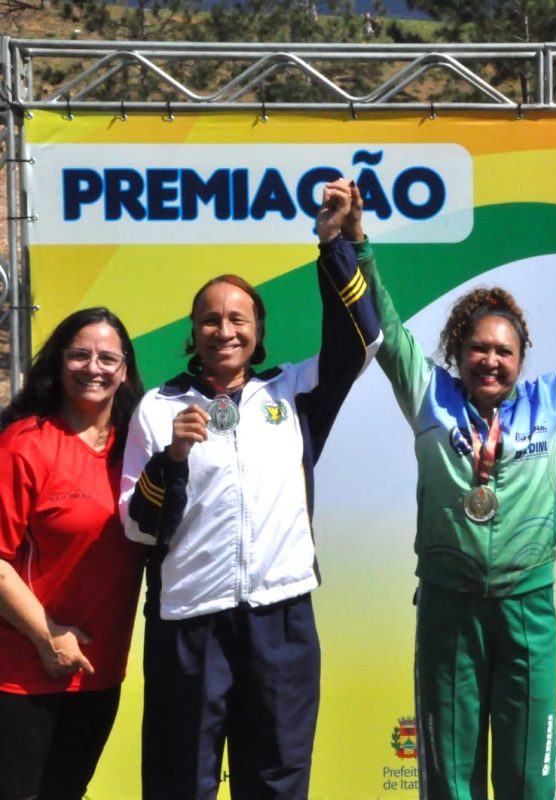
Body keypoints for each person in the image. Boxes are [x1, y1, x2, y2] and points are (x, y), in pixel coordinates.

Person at [317, 178, 556, 799]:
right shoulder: (429, 395)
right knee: (451, 780)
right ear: (457, 351)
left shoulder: (555, 400)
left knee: (531, 778)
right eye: (478, 349)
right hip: (449, 610)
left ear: (522, 357)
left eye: (504, 351)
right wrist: (358, 241)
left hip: (528, 611)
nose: (491, 361)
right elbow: (386, 325)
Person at [119, 181, 381, 800]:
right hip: (190, 624)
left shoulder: (293, 392)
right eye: (210, 319)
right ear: (194, 331)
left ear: (257, 330)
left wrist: (336, 245)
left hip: (281, 619)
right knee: (181, 781)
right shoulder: (158, 409)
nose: (224, 330)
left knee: (277, 779)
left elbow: (362, 339)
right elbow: (136, 524)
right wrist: (173, 458)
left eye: (238, 318)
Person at [0, 307, 145, 800]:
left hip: (99, 674)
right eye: (80, 354)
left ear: (124, 369)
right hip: (23, 673)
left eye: (108, 357)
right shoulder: (24, 445)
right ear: (59, 363)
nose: (93, 367)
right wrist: (47, 637)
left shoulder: (138, 451)